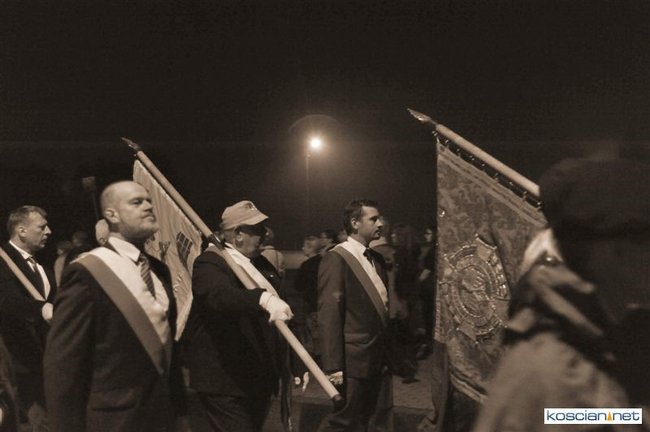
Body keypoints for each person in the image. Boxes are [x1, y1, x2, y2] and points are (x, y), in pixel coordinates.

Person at [473, 159, 650, 432]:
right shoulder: (555, 372)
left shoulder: (596, 331)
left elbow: (599, 415)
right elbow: (565, 416)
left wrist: (639, 418)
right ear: (611, 253)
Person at [44, 181, 188, 432]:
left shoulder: (159, 270)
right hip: (113, 421)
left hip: (161, 417)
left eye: (148, 201)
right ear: (112, 215)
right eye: (136, 202)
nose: (148, 207)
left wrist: (181, 414)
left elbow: (168, 350)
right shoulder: (87, 271)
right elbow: (63, 364)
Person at [183, 200, 293, 432]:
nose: (265, 234)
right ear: (237, 234)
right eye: (257, 230)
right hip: (226, 380)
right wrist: (261, 298)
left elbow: (280, 317)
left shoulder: (262, 265)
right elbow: (218, 296)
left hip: (257, 379)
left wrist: (294, 364)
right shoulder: (211, 262)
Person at [318, 199, 393, 431]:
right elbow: (329, 314)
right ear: (355, 223)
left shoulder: (377, 259)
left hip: (379, 356)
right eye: (373, 219)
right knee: (343, 422)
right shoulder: (336, 258)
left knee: (377, 420)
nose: (380, 224)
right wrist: (333, 366)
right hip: (353, 362)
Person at [0, 205, 55, 430]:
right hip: (18, 364)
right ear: (21, 231)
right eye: (42, 227)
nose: (49, 231)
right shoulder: (3, 260)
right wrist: (40, 309)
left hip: (47, 361)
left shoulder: (44, 267)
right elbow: (6, 302)